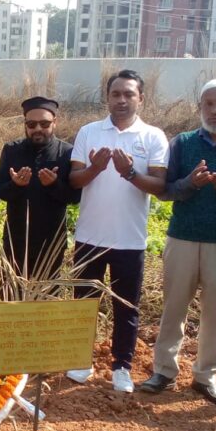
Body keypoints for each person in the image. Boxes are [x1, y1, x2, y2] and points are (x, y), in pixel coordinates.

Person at [139, 79, 216, 406]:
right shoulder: (181, 143)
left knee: (215, 311)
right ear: (200, 107)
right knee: (173, 306)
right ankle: (164, 371)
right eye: (208, 103)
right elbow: (166, 190)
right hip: (181, 237)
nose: (215, 109)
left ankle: (206, 376)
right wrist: (190, 183)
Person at [67, 69, 169, 393]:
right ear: (107, 97)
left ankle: (122, 366)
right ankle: (80, 360)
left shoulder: (153, 137)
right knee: (84, 302)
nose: (122, 100)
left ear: (141, 97)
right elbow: (74, 180)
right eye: (116, 94)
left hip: (129, 239)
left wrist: (130, 173)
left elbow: (159, 185)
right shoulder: (89, 132)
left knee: (126, 306)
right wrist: (96, 168)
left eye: (129, 94)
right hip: (89, 236)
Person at [0, 96, 80, 286]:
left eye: (44, 123)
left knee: (46, 301)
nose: (38, 129)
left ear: (55, 122)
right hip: (16, 240)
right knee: (12, 296)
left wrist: (53, 184)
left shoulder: (67, 152)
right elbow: (2, 192)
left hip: (51, 244)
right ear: (25, 124)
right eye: (32, 124)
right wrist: (16, 185)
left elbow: (74, 197)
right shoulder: (11, 150)